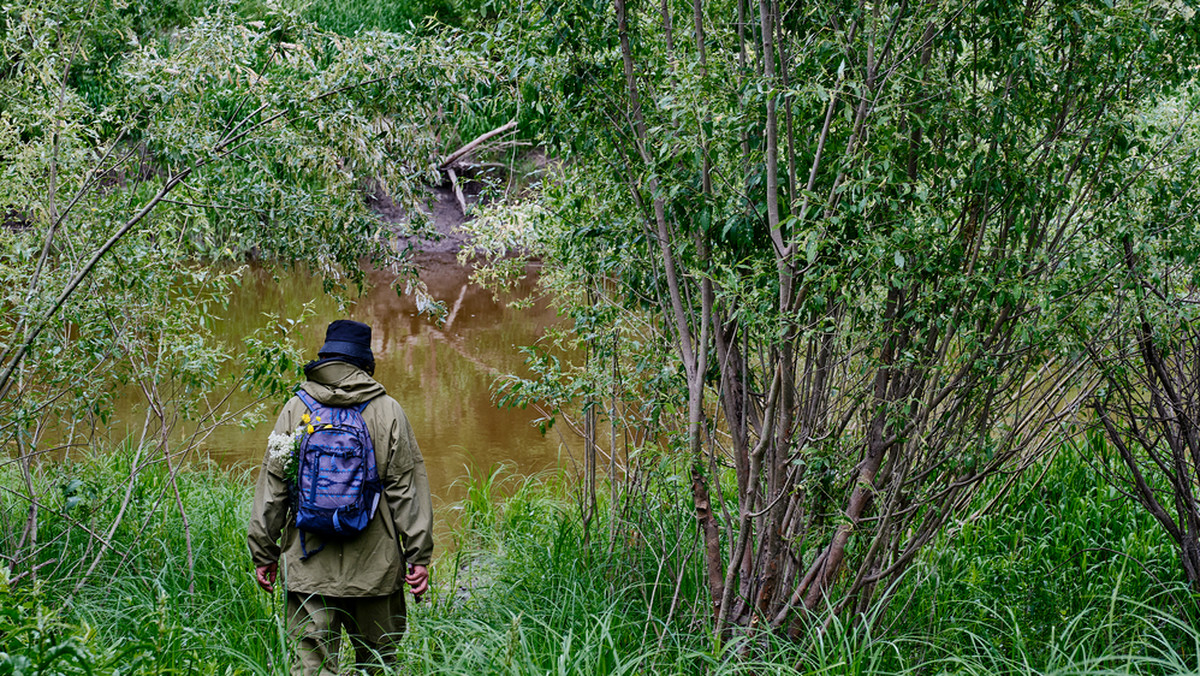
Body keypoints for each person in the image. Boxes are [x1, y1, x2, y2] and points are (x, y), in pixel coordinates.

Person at [248, 319, 433, 675]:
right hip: (375, 571)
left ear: (324, 358)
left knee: (311, 669)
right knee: (377, 666)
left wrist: (264, 552)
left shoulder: (295, 409)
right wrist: (418, 556)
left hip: (308, 565)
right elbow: (406, 491)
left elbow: (273, 490)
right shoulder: (389, 410)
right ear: (366, 362)